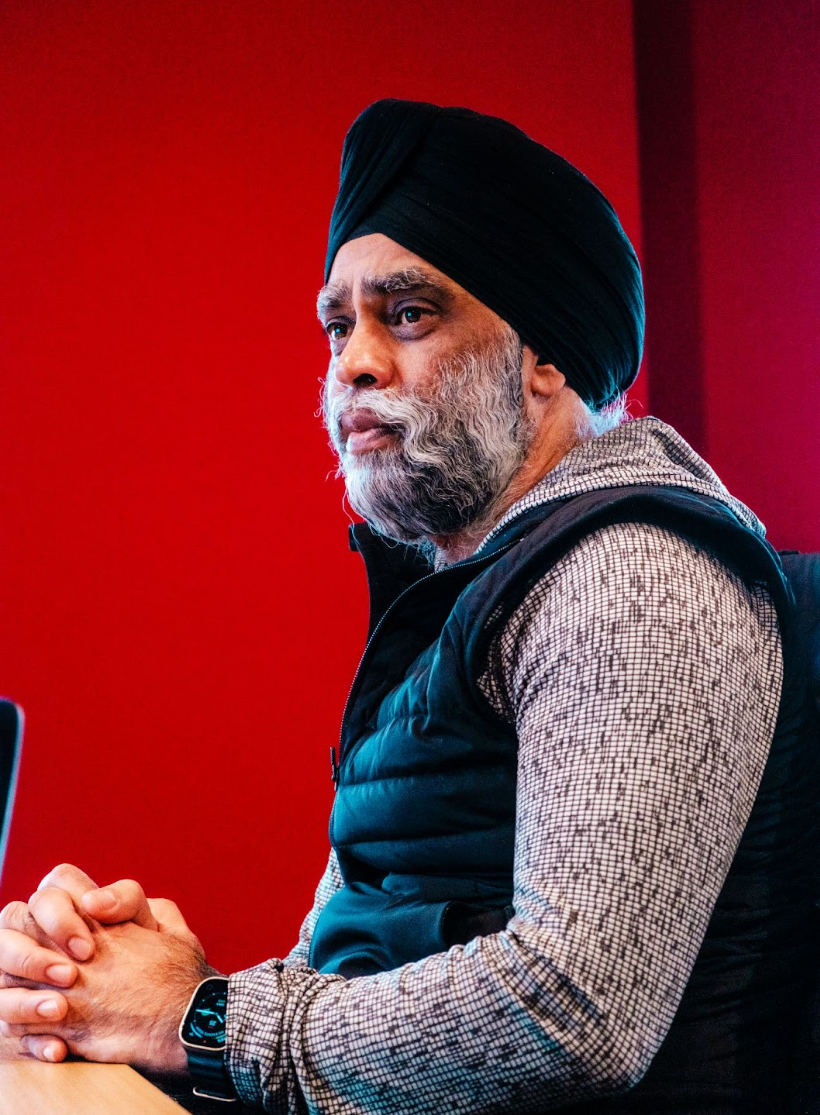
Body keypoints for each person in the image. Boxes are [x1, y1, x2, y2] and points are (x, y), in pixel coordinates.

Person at [0, 100, 815, 1113]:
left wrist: (195, 1017)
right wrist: (130, 983)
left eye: (408, 314)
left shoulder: (629, 571)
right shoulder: (478, 584)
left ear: (544, 356)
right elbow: (362, 971)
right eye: (338, 323)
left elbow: (575, 1007)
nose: (352, 362)